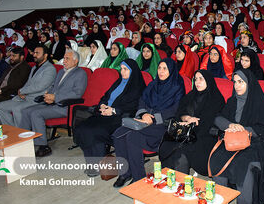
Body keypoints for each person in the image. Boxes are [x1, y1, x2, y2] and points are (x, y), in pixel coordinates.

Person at [209, 69, 264, 204]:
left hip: (254, 143)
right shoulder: (232, 101)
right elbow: (218, 118)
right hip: (233, 141)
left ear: (249, 83)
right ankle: (221, 201)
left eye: (241, 82)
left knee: (243, 163)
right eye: (235, 82)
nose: (237, 86)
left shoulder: (259, 103)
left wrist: (243, 129)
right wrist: (230, 125)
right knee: (217, 157)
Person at [112, 58, 185, 187]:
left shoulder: (177, 86)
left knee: (132, 137)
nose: (161, 71)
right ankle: (125, 172)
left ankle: (138, 178)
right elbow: (142, 100)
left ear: (171, 71)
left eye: (165, 69)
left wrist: (153, 118)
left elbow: (175, 110)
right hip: (144, 119)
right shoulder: (153, 84)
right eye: (159, 68)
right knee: (118, 134)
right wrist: (143, 114)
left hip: (162, 125)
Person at [74, 59, 146, 176]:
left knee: (95, 131)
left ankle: (100, 164)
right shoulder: (118, 82)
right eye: (121, 69)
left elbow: (133, 107)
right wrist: (102, 105)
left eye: (126, 69)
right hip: (104, 114)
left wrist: (113, 110)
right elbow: (106, 96)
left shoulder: (137, 86)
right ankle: (92, 164)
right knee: (82, 128)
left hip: (120, 117)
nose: (122, 72)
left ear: (133, 71)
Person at [20, 50, 87, 157]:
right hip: (51, 102)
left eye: (67, 59)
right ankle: (23, 141)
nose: (64, 61)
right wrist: (48, 96)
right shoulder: (61, 71)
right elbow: (53, 87)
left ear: (76, 61)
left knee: (35, 113)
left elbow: (77, 93)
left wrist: (55, 98)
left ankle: (43, 146)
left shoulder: (81, 73)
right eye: (64, 58)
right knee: (25, 111)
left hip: (65, 106)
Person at [159, 70, 224, 175]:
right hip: (185, 132)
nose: (197, 82)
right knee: (169, 145)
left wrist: (190, 124)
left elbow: (207, 122)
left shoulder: (216, 98)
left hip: (204, 136)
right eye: (196, 79)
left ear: (208, 81)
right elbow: (179, 113)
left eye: (201, 79)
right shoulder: (191, 95)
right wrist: (186, 118)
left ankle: (181, 185)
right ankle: (168, 180)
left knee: (181, 151)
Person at [0, 45, 57, 127]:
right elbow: (28, 83)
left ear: (45, 55)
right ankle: (13, 131)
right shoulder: (34, 67)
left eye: (37, 53)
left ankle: (21, 134)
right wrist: (22, 91)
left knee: (17, 109)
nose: (34, 55)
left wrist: (23, 91)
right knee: (0, 107)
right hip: (25, 97)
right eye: (34, 52)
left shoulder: (50, 69)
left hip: (37, 99)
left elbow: (40, 86)